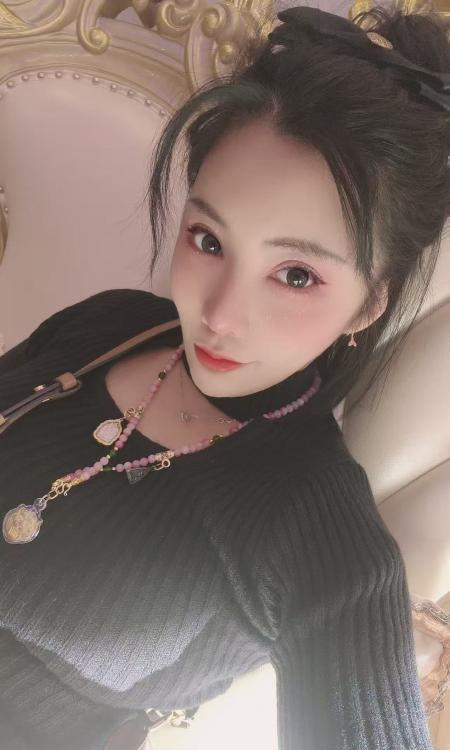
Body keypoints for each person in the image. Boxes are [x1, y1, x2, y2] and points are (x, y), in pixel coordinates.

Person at [0, 3, 448, 749]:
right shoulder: (110, 325)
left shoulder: (313, 525)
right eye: (208, 239)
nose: (219, 315)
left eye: (296, 275)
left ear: (371, 301)